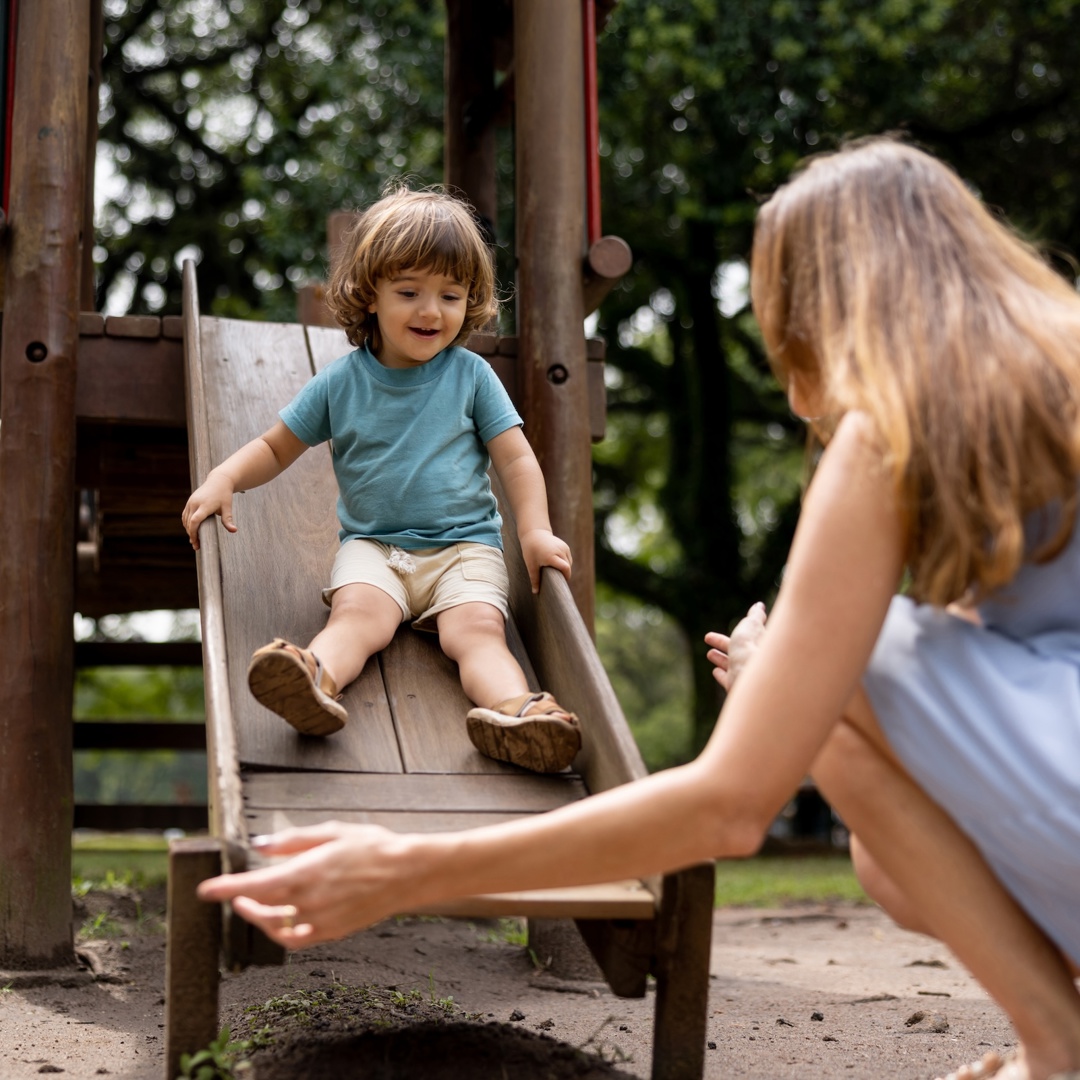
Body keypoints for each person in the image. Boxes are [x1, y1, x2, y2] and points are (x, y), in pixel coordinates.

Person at [196, 141, 1080, 1080]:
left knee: (848, 670)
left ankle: (1057, 1049)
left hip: (462, 564)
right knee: (878, 838)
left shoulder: (888, 439)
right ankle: (1056, 1037)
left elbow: (729, 807)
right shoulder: (1042, 377)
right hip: (377, 561)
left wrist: (407, 872)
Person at [182, 185, 582, 774]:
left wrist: (536, 533)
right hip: (376, 549)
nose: (431, 311)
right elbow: (276, 445)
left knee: (476, 632)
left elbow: (517, 460)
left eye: (450, 295)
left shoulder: (472, 377)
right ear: (369, 295)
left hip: (463, 548)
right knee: (357, 618)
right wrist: (225, 477)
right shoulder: (340, 383)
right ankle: (312, 681)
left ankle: (518, 714)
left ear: (469, 301)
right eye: (409, 292)